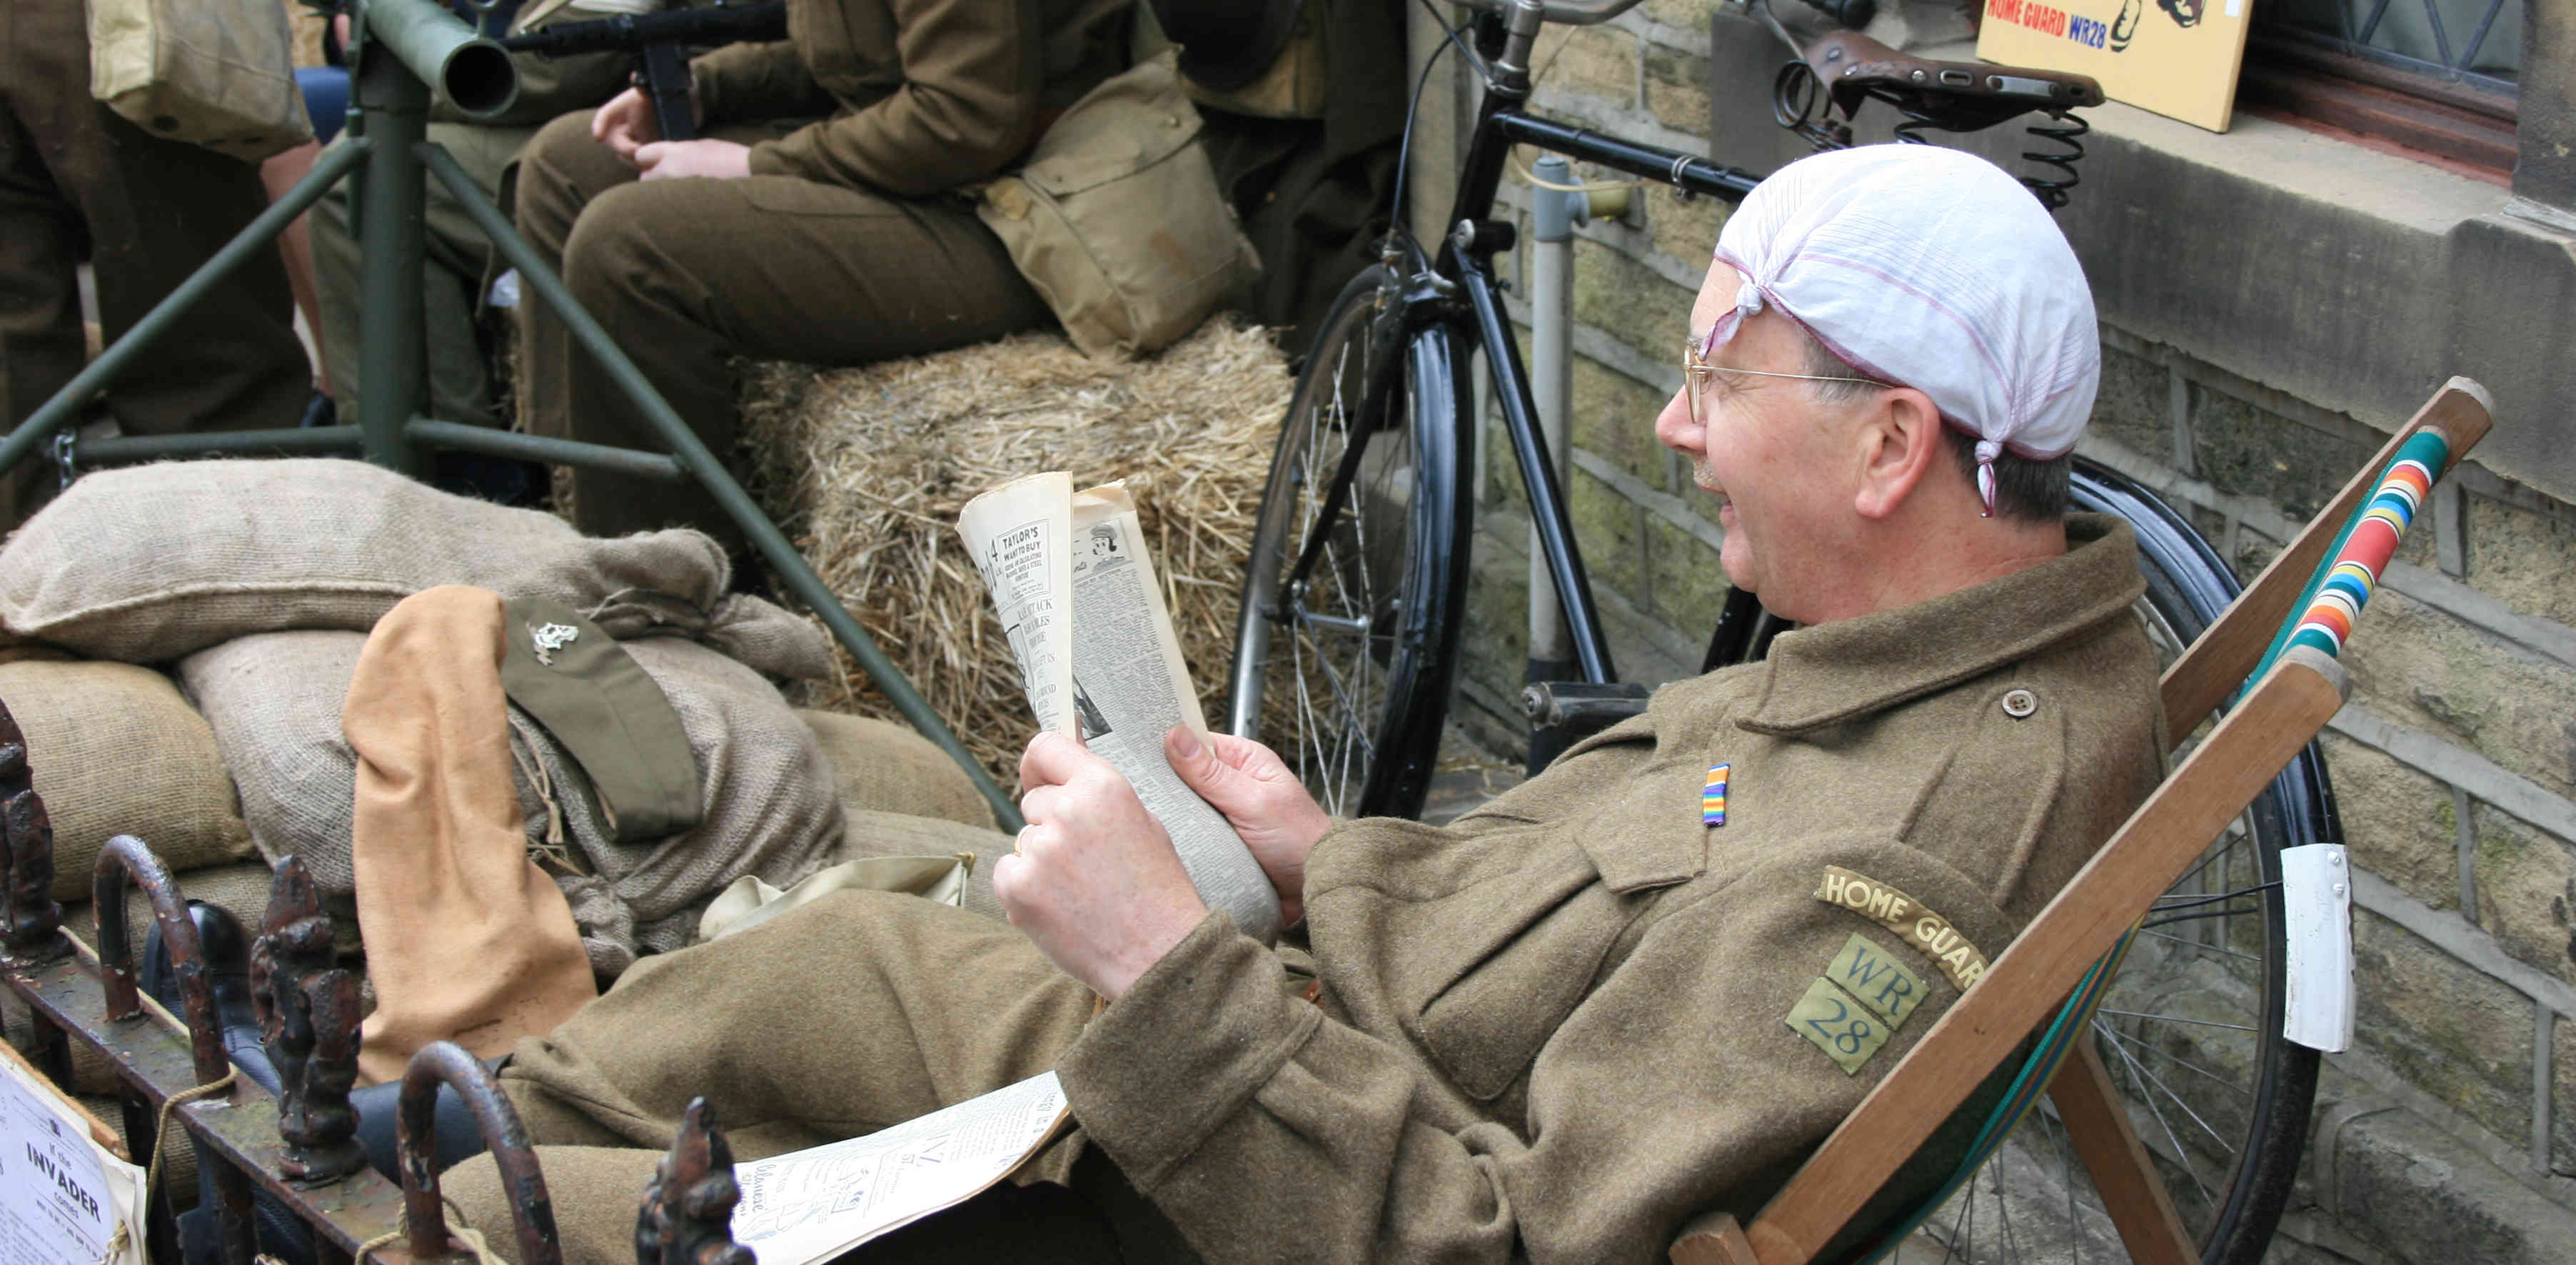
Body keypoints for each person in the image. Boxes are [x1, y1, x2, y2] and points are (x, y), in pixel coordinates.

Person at [438, 143, 2160, 1264]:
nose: (1672, 424)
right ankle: (435, 1120)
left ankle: (395, 1174)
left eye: (1719, 373)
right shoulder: (1928, 658)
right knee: (826, 954)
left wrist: (1166, 968)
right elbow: (1591, 921)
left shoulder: (1907, 846)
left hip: (1234, 1163)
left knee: (618, 1184)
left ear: (1889, 448)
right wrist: (1321, 851)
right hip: (1305, 1042)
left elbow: (1519, 1247)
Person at [509, 0, 1136, 560]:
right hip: (915, 172)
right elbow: (857, 57)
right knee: (568, 163)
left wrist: (753, 164)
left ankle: (670, 601)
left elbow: (964, 120)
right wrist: (706, 89)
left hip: (1024, 213)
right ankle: (580, 535)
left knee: (629, 247)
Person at [306, 0, 678, 445]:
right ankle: (407, 440)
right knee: (337, 131)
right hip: (532, 90)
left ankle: (447, 460)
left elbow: (554, 70)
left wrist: (401, 72)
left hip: (630, 121)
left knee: (363, 175)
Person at [0, 0, 314, 526]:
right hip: (107, 24)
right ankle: (209, 565)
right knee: (201, 357)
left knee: (15, 360)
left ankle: (30, 578)